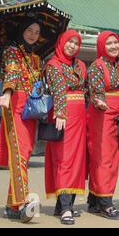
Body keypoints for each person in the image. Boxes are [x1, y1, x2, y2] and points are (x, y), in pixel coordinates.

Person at [0, 18, 42, 223]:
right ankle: (22, 203)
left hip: (31, 109)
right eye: (29, 30)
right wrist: (7, 93)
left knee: (24, 154)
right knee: (20, 155)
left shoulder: (36, 58)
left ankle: (11, 206)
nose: (33, 34)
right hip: (14, 103)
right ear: (21, 30)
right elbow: (12, 73)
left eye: (37, 31)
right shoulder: (11, 51)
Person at [44, 29, 87, 225]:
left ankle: (62, 206)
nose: (72, 46)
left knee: (77, 160)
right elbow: (58, 88)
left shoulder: (80, 65)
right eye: (69, 42)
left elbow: (85, 89)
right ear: (61, 42)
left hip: (80, 116)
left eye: (76, 43)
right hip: (65, 115)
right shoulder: (53, 64)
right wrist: (60, 112)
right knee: (64, 159)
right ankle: (66, 208)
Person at [86, 31, 119, 220]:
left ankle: (94, 200)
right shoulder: (96, 66)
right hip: (101, 115)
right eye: (108, 43)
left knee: (112, 158)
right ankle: (106, 204)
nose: (113, 46)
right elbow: (96, 91)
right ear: (101, 46)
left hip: (116, 117)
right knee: (103, 158)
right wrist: (99, 101)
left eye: (115, 43)